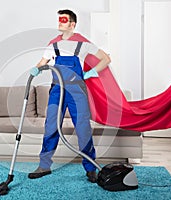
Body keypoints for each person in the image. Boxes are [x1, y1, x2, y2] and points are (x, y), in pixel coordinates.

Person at [28, 9, 111, 183]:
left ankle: (90, 167)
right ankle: (44, 166)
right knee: (51, 125)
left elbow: (105, 59)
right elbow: (42, 63)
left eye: (63, 20)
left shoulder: (83, 43)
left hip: (77, 92)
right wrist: (36, 69)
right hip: (57, 90)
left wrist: (92, 72)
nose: (60, 22)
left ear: (72, 24)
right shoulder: (53, 44)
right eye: (59, 19)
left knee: (83, 128)